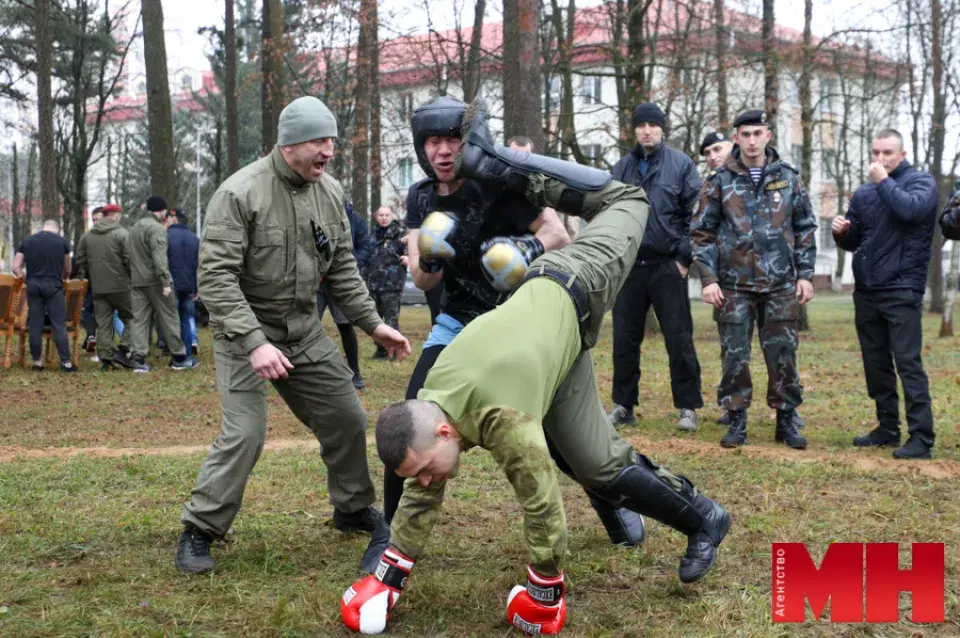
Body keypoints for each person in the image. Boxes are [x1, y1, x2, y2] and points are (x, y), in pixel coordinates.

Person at [341, 112, 731, 635]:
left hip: (574, 278)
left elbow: (542, 503)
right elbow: (422, 486)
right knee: (598, 464)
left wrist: (544, 588)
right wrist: (387, 577)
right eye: (430, 141)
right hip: (553, 346)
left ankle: (501, 156)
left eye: (450, 141)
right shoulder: (431, 401)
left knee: (627, 200)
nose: (430, 481)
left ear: (443, 431)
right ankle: (706, 517)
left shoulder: (506, 421)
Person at [379, 97, 644, 567]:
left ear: (469, 141)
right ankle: (388, 540)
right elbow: (421, 279)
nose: (443, 151)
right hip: (458, 322)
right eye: (433, 141)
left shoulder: (500, 183)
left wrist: (525, 249)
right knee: (411, 421)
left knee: (560, 434)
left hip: (521, 319)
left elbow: (560, 236)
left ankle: (614, 511)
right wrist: (431, 258)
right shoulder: (421, 196)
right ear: (422, 147)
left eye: (453, 139)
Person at [175, 95, 411, 576]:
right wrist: (255, 342)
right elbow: (216, 279)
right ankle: (200, 528)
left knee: (346, 415)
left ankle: (350, 507)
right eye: (320, 141)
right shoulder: (239, 194)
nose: (329, 151)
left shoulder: (328, 190)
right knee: (246, 433)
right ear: (289, 145)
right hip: (244, 335)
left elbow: (341, 265)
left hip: (302, 331)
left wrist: (374, 322)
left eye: (332, 142)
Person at [691, 109, 817, 450]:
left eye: (757, 133)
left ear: (768, 136)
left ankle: (787, 419)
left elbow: (805, 228)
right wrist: (708, 279)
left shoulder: (789, 178)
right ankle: (736, 418)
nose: (751, 140)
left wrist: (805, 275)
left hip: (779, 284)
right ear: (736, 138)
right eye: (745, 134)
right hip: (733, 286)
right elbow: (701, 232)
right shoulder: (719, 181)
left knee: (783, 355)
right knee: (734, 356)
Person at [832, 129, 939, 460]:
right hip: (867, 289)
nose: (879, 159)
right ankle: (887, 428)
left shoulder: (921, 184)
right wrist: (842, 233)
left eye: (887, 153)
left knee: (908, 363)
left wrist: (882, 181)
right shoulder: (864, 193)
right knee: (876, 363)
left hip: (902, 287)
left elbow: (910, 211)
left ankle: (921, 436)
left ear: (902, 155)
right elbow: (856, 240)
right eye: (875, 152)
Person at [608, 102, 703, 432]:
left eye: (653, 124)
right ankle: (623, 405)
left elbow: (699, 215)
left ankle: (688, 407)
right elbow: (608, 214)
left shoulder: (681, 166)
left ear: (663, 129)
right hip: (630, 266)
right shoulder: (621, 169)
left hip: (667, 266)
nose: (647, 130)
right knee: (624, 339)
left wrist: (683, 258)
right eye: (641, 124)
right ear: (633, 129)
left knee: (679, 340)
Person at [127, 196, 197, 372]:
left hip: (137, 281)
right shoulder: (157, 228)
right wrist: (165, 282)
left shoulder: (134, 228)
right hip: (156, 282)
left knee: (139, 320)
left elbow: (128, 255)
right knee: (170, 316)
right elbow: (159, 257)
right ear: (161, 210)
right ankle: (179, 358)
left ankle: (138, 358)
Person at [317, 200, 374, 389]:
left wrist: (347, 266)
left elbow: (365, 245)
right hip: (315, 281)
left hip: (340, 282)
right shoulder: (313, 213)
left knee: (345, 325)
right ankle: (304, 374)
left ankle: (355, 372)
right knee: (306, 326)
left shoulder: (354, 218)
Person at [74, 203, 136, 371]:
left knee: (103, 324)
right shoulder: (122, 234)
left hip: (98, 287)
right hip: (121, 286)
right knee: (134, 317)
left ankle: (106, 361)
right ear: (115, 215)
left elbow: (80, 259)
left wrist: (91, 273)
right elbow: (130, 259)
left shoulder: (87, 237)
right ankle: (124, 349)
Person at [12, 219, 77, 372]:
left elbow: (15, 266)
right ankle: (66, 363)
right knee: (58, 324)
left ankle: (37, 362)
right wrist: (63, 278)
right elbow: (67, 267)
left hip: (33, 286)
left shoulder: (28, 241)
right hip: (54, 286)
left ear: (43, 228)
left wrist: (25, 279)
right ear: (57, 229)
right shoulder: (62, 242)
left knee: (35, 324)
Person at [367, 206, 406, 360]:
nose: (384, 218)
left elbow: (410, 249)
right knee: (374, 320)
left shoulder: (400, 234)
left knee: (391, 319)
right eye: (381, 215)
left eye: (387, 215)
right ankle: (381, 350)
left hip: (392, 285)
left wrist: (408, 257)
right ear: (376, 217)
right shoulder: (372, 234)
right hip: (373, 283)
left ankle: (394, 352)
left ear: (392, 216)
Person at [167, 208, 201, 356]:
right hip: (189, 285)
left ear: (174, 220)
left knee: (172, 319)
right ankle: (187, 350)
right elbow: (200, 265)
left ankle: (176, 353)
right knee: (187, 318)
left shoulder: (165, 236)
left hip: (171, 285)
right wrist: (197, 287)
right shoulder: (194, 238)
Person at [81, 206, 105, 354]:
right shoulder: (88, 237)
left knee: (102, 314)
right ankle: (90, 337)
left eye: (99, 219)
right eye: (94, 220)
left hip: (107, 281)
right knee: (89, 310)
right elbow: (80, 257)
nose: (96, 222)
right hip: (92, 280)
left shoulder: (113, 235)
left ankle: (93, 339)